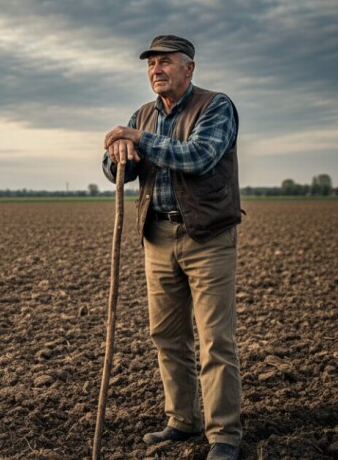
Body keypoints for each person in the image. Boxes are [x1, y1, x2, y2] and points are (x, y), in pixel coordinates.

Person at [102, 34, 242, 460]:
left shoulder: (216, 106)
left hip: (207, 236)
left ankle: (224, 435)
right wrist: (119, 151)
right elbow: (115, 171)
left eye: (165, 62)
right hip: (157, 236)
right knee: (166, 335)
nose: (156, 70)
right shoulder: (142, 114)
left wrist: (139, 140)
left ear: (189, 68)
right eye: (151, 64)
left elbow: (199, 156)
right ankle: (182, 420)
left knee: (215, 338)